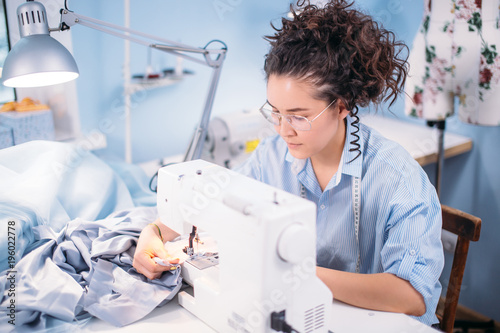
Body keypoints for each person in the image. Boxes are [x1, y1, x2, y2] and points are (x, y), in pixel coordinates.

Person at [133, 0, 444, 326]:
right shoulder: (272, 156)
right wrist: (153, 233)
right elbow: (212, 202)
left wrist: (295, 275)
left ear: (341, 106)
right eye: (276, 113)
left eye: (298, 116)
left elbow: (411, 296)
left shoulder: (397, 178)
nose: (283, 129)